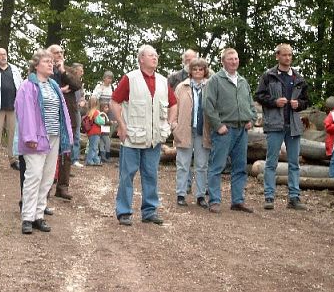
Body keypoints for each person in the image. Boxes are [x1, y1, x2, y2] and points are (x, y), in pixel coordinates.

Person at [110, 44, 177, 226]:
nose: (155, 58)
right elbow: (114, 102)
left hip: (154, 139)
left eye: (156, 55)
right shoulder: (130, 79)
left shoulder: (163, 81)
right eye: (150, 55)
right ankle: (124, 212)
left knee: (151, 175)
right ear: (141, 59)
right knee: (127, 175)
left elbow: (173, 104)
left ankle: (150, 211)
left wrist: (170, 123)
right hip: (132, 137)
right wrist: (121, 125)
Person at [15, 49, 73, 234]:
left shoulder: (54, 85)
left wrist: (67, 135)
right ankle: (27, 217)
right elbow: (25, 114)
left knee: (47, 177)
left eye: (51, 61)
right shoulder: (28, 86)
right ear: (36, 65)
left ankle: (38, 215)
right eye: (46, 61)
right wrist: (30, 137)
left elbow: (62, 112)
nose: (51, 64)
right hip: (36, 138)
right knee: (33, 176)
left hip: (54, 137)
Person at [255, 43, 309, 210]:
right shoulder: (268, 76)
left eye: (290, 55)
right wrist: (274, 102)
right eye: (285, 55)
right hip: (274, 125)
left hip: (293, 125)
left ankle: (294, 197)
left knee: (294, 163)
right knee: (271, 162)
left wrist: (298, 105)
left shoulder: (298, 78)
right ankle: (269, 197)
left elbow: (307, 101)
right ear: (277, 56)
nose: (288, 58)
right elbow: (259, 96)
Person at [204, 48, 257, 214]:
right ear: (223, 62)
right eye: (230, 59)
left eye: (236, 58)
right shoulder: (215, 80)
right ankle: (214, 201)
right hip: (225, 130)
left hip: (242, 130)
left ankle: (237, 201)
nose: (234, 61)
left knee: (240, 167)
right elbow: (208, 105)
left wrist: (252, 119)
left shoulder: (243, 81)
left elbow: (250, 103)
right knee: (217, 166)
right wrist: (218, 125)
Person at [171, 58, 211, 208]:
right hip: (185, 129)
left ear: (205, 71)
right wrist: (174, 125)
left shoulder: (210, 86)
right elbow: (173, 107)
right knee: (183, 164)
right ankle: (181, 194)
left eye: (201, 69)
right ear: (190, 71)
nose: (198, 72)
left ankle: (200, 195)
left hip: (203, 131)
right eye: (195, 69)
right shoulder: (182, 87)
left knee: (201, 165)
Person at [48, 44, 82, 200]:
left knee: (66, 153)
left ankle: (62, 187)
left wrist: (62, 71)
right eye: (56, 52)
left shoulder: (69, 70)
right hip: (51, 116)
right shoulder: (45, 70)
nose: (60, 54)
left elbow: (76, 85)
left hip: (68, 116)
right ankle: (46, 186)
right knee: (49, 153)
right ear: (49, 55)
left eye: (61, 52)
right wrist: (59, 90)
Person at [0, 48, 23, 170]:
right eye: (0, 55)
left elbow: (21, 85)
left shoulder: (15, 69)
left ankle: (14, 159)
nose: (3, 57)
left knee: (14, 134)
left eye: (5, 54)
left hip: (14, 106)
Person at [70, 63, 86, 168]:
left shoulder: (80, 84)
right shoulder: (69, 81)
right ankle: (67, 158)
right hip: (69, 110)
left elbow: (82, 97)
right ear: (75, 70)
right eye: (81, 70)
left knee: (76, 135)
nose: (82, 72)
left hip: (77, 111)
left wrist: (83, 101)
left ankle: (74, 159)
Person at [85, 96, 105, 166]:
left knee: (94, 146)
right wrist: (103, 120)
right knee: (93, 147)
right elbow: (99, 121)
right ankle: (89, 160)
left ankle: (96, 160)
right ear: (97, 104)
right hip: (95, 132)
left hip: (90, 132)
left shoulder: (89, 112)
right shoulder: (96, 112)